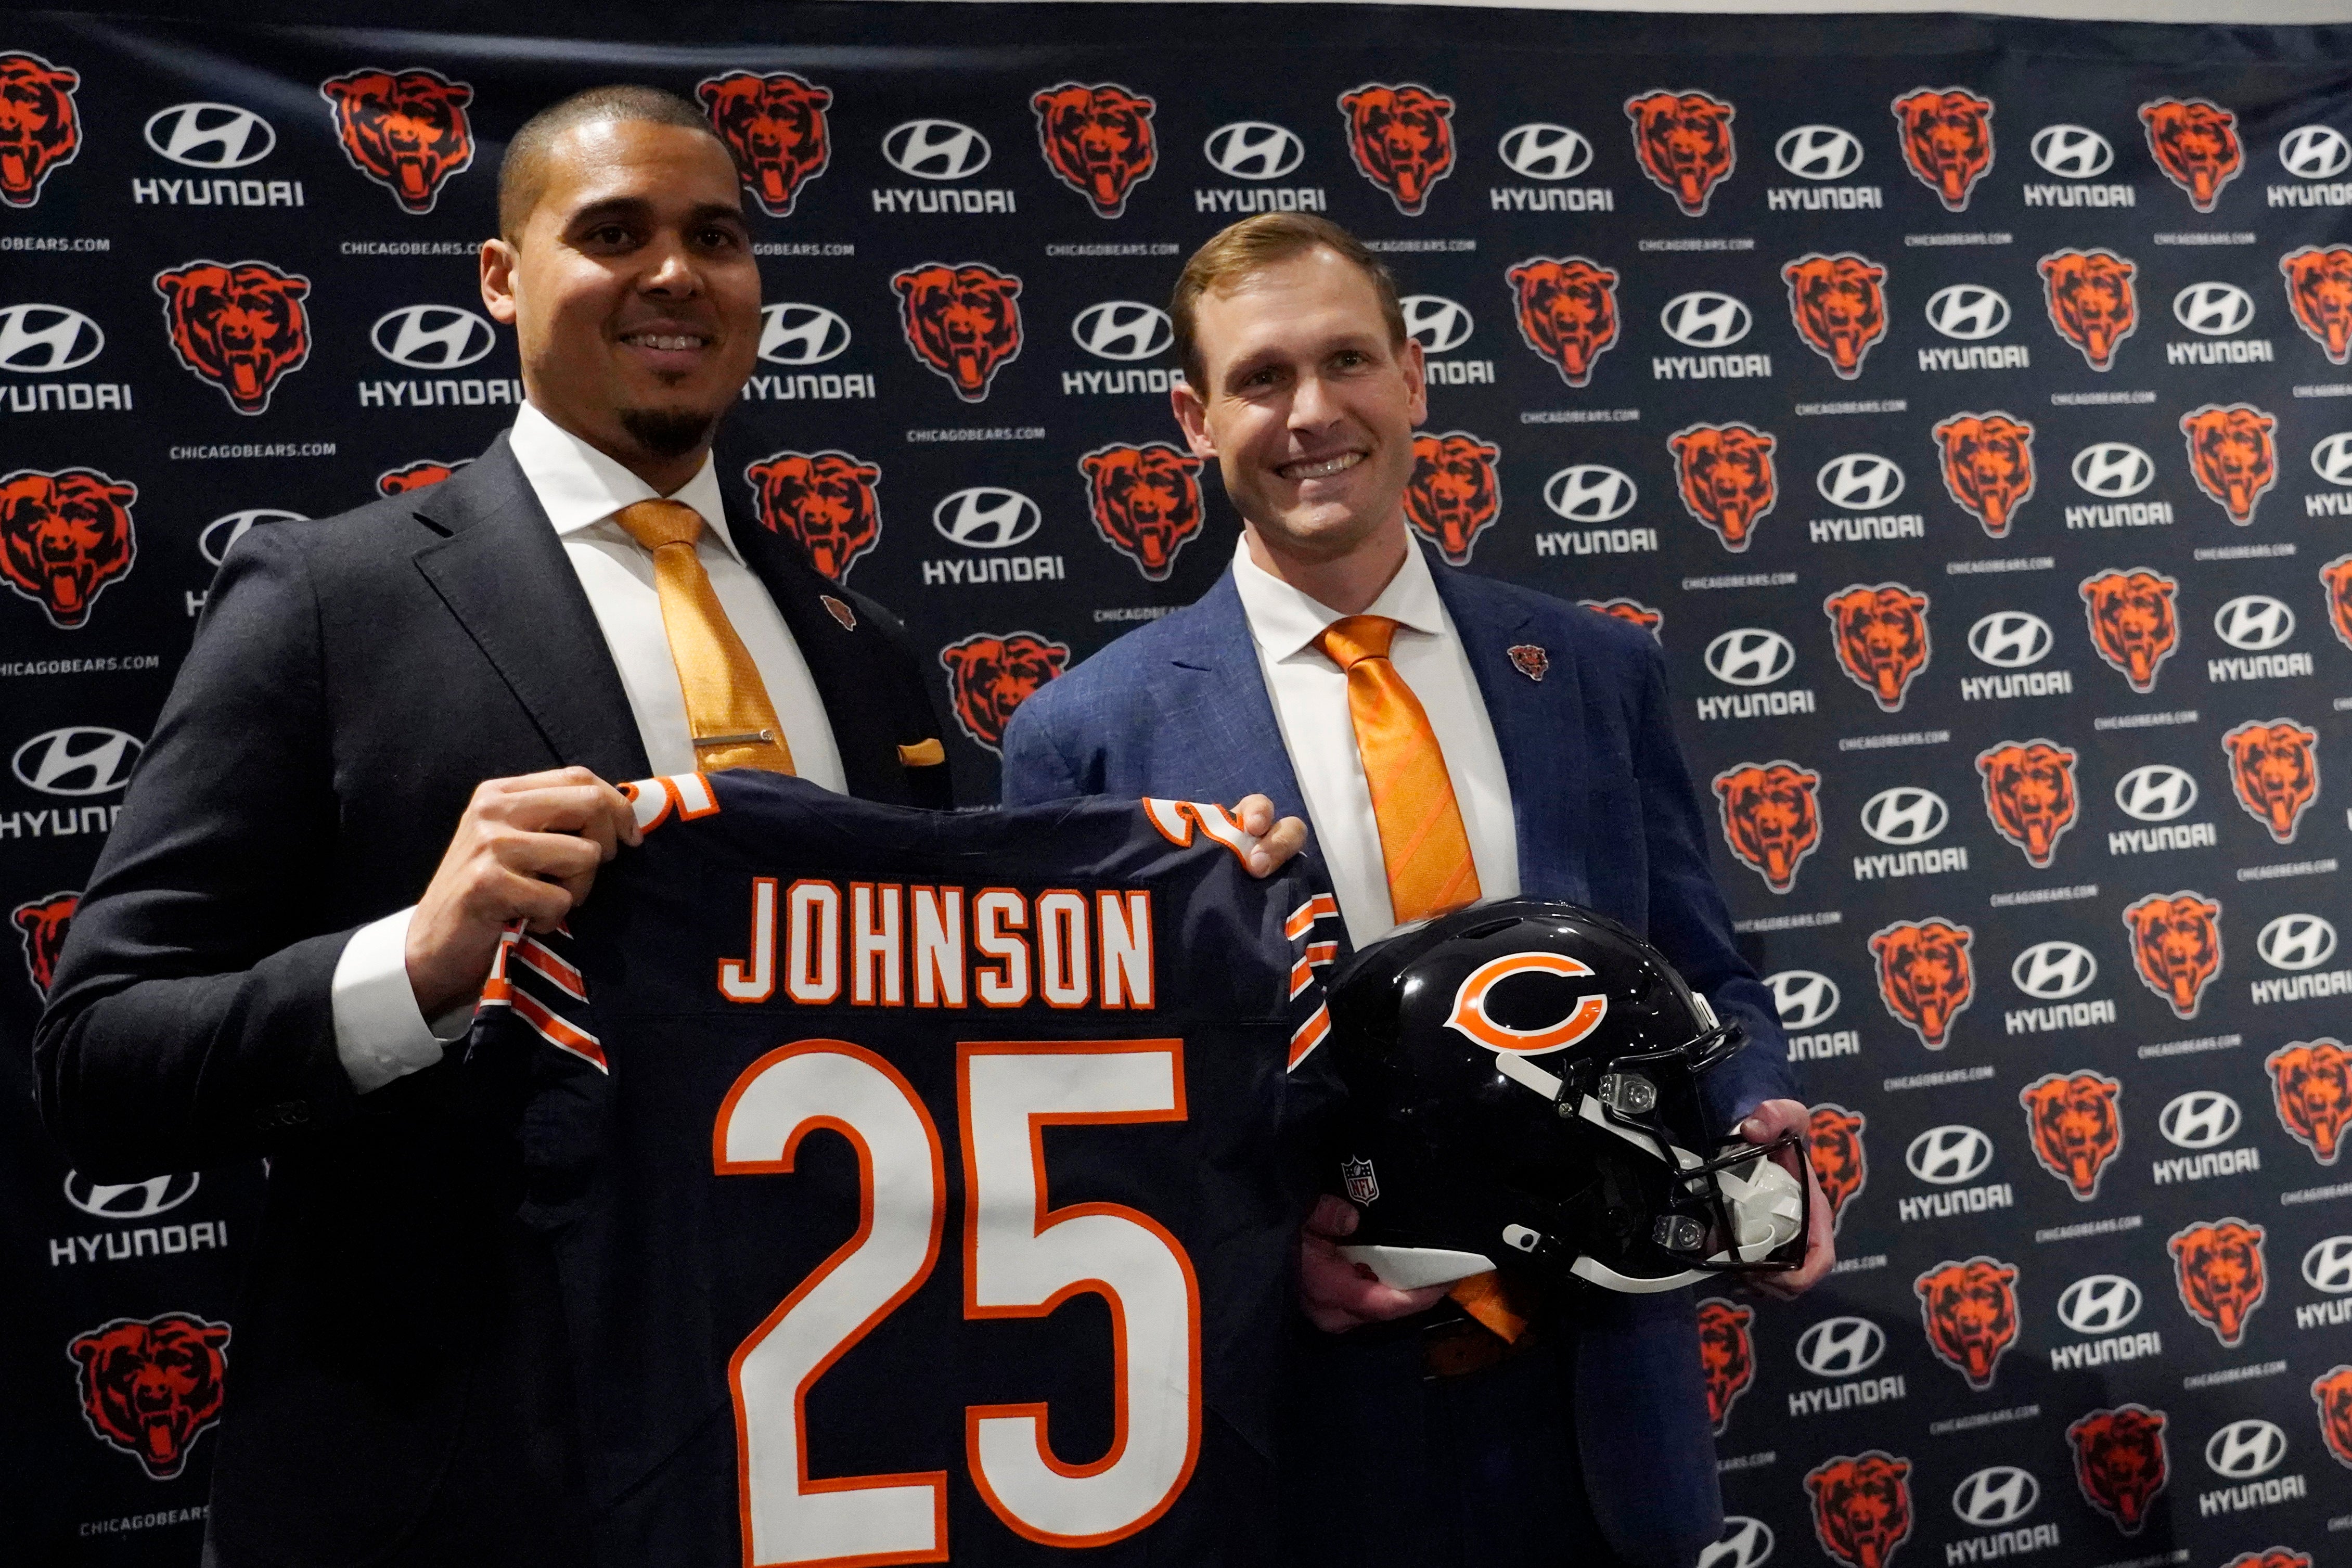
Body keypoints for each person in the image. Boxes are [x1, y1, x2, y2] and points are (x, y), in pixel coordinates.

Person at [32, 86, 1302, 1566]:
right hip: (464, 1494)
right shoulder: (329, 599)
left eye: (717, 236)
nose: (676, 275)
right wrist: (415, 965)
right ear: (501, 277)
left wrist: (1193, 915)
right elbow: (98, 1059)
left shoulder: (864, 651)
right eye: (613, 233)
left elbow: (952, 1065)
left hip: (829, 1476)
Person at [999, 213, 1834, 1568]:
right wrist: (1259, 1255)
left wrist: (1758, 1120)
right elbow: (1074, 1124)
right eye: (1259, 378)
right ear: (1193, 420)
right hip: (1305, 1441)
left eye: (1345, 361)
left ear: (1413, 378)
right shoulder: (1086, 738)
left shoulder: (1594, 672)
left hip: (1607, 1416)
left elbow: (1702, 971)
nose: (1311, 413)